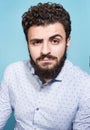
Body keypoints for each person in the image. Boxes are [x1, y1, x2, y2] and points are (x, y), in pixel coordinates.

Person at [0, 2, 90, 130]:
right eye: (36, 42)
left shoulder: (85, 86)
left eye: (55, 41)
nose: (45, 51)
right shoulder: (13, 72)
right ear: (28, 44)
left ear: (67, 42)